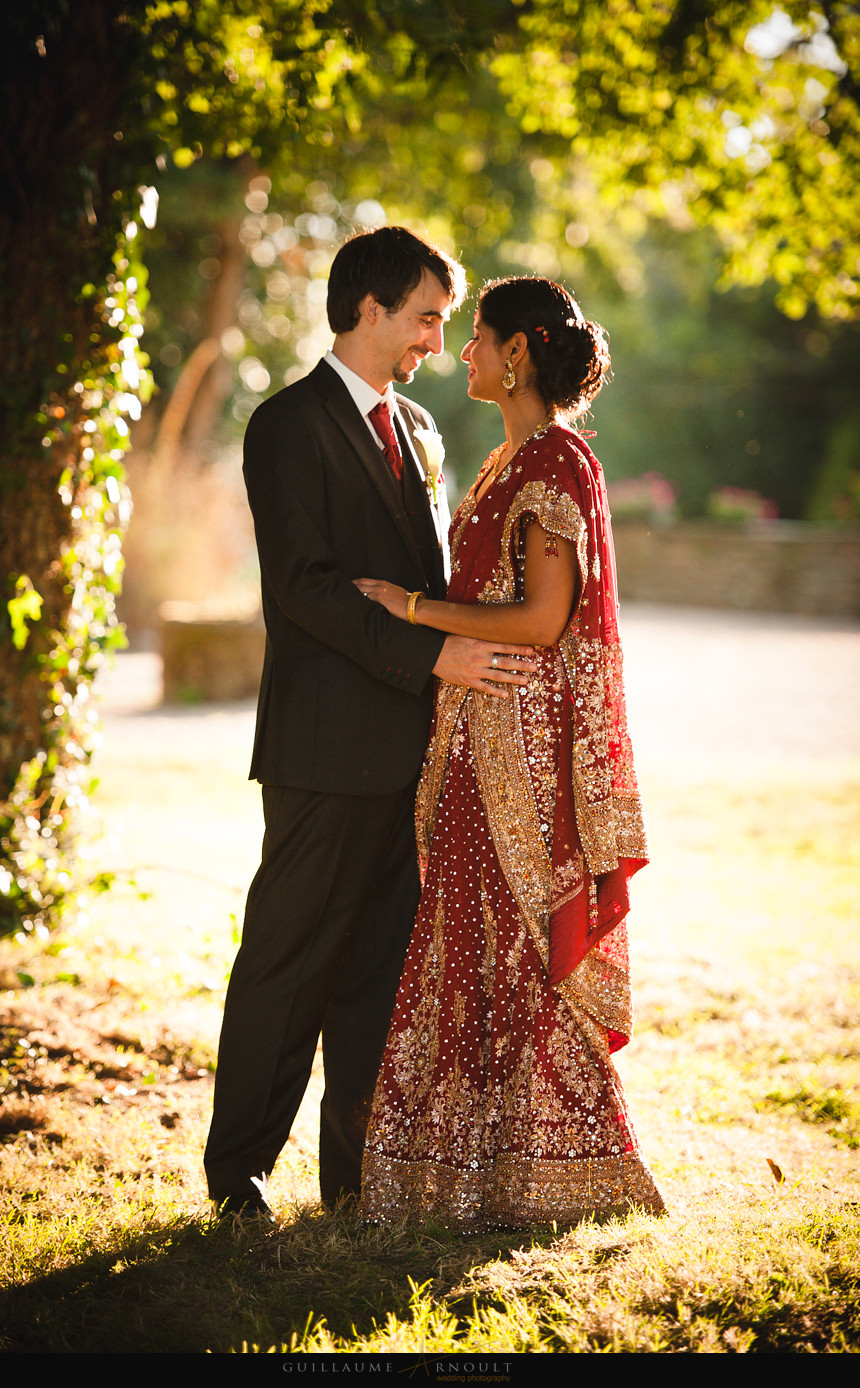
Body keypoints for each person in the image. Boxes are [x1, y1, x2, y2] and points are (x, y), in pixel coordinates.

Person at [203, 229, 534, 1219]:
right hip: (323, 748)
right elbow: (304, 589)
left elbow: (427, 584)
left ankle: (354, 1183)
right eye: (428, 316)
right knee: (286, 963)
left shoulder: (422, 431)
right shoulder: (288, 426)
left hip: (411, 757)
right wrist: (435, 653)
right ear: (368, 309)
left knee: (378, 975)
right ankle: (239, 1177)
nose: (438, 338)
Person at [356, 276, 665, 1230]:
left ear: (520, 351)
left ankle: (560, 1164)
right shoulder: (505, 464)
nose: (464, 355)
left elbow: (542, 618)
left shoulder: (554, 465)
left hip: (520, 749)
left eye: (479, 339)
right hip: (470, 733)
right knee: (463, 936)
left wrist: (408, 608)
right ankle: (459, 1172)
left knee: (520, 942)